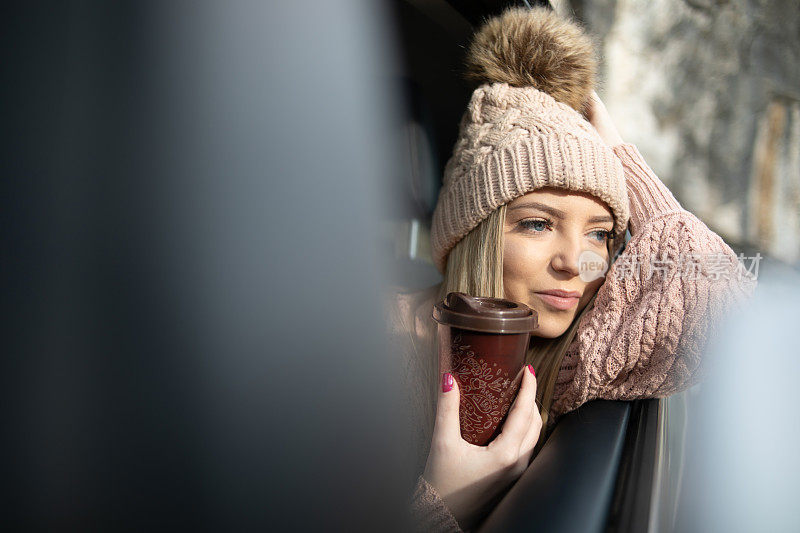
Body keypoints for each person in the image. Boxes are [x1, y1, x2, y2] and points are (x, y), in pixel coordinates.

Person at [385, 6, 758, 532]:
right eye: (538, 224)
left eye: (600, 233)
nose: (573, 263)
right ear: (475, 233)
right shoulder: (364, 345)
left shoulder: (570, 360)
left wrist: (621, 156)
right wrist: (441, 501)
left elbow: (730, 316)